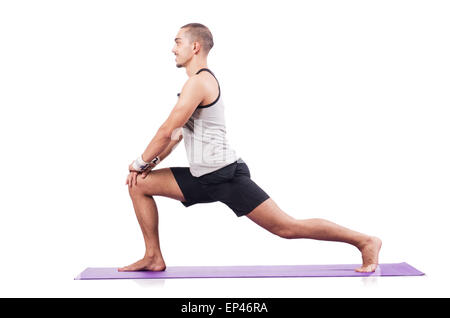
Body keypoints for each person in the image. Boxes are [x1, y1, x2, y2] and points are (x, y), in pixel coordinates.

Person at [119, 23, 382, 273]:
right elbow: (175, 135)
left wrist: (139, 162)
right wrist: (149, 165)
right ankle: (153, 256)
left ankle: (365, 241)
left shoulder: (200, 82)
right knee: (139, 184)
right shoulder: (191, 85)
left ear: (195, 47)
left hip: (224, 176)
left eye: (177, 42)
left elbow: (166, 130)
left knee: (286, 227)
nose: (173, 49)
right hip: (202, 177)